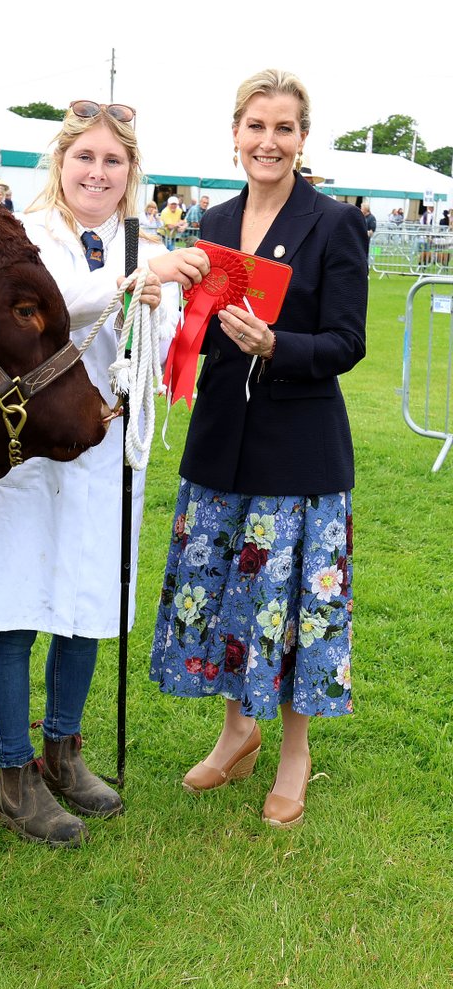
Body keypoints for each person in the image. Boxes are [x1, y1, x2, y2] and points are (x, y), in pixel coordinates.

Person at [0, 98, 209, 847]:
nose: (97, 171)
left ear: (132, 173)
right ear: (60, 162)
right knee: (15, 606)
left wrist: (153, 309)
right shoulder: (20, 238)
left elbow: (148, 362)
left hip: (102, 454)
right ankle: (13, 775)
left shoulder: (138, 243)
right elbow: (46, 310)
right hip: (27, 453)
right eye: (85, 157)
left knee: (87, 602)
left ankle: (64, 751)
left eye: (113, 160)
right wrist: (133, 282)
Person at [149, 69, 366, 830]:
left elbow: (347, 341)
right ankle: (237, 731)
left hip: (298, 451)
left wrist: (279, 344)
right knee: (233, 597)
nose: (267, 142)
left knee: (294, 607)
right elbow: (207, 333)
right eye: (255, 127)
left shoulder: (334, 224)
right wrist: (165, 302)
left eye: (283, 129)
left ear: (303, 138)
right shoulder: (212, 219)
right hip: (221, 443)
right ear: (235, 133)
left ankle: (294, 753)